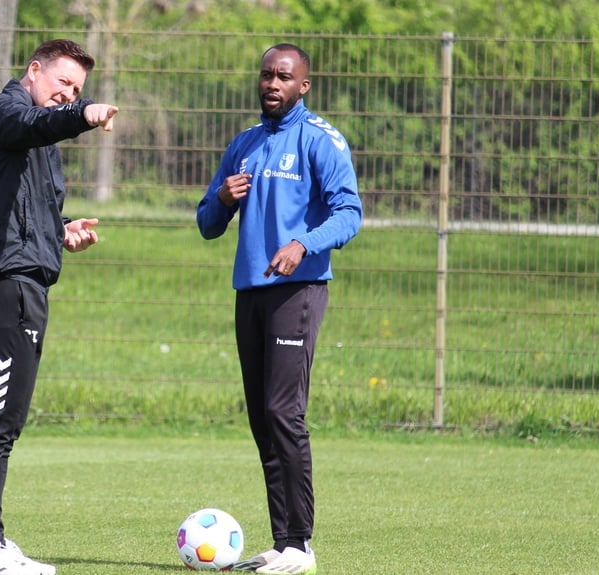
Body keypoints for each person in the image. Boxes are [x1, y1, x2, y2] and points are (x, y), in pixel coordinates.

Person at [0, 39, 118, 575]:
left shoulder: (36, 138)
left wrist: (60, 232)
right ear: (34, 69)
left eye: (77, 90)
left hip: (20, 286)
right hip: (2, 289)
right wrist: (82, 115)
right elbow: (32, 126)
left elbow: (20, 207)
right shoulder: (7, 113)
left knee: (5, 422)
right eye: (63, 82)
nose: (68, 94)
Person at [196, 43, 362, 575]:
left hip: (300, 292)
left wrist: (304, 244)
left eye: (283, 77)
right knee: (262, 421)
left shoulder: (320, 140)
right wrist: (222, 199)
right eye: (266, 74)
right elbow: (205, 223)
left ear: (303, 86)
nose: (272, 83)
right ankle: (282, 541)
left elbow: (350, 213)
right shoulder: (243, 145)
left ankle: (302, 545)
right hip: (250, 292)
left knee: (283, 412)